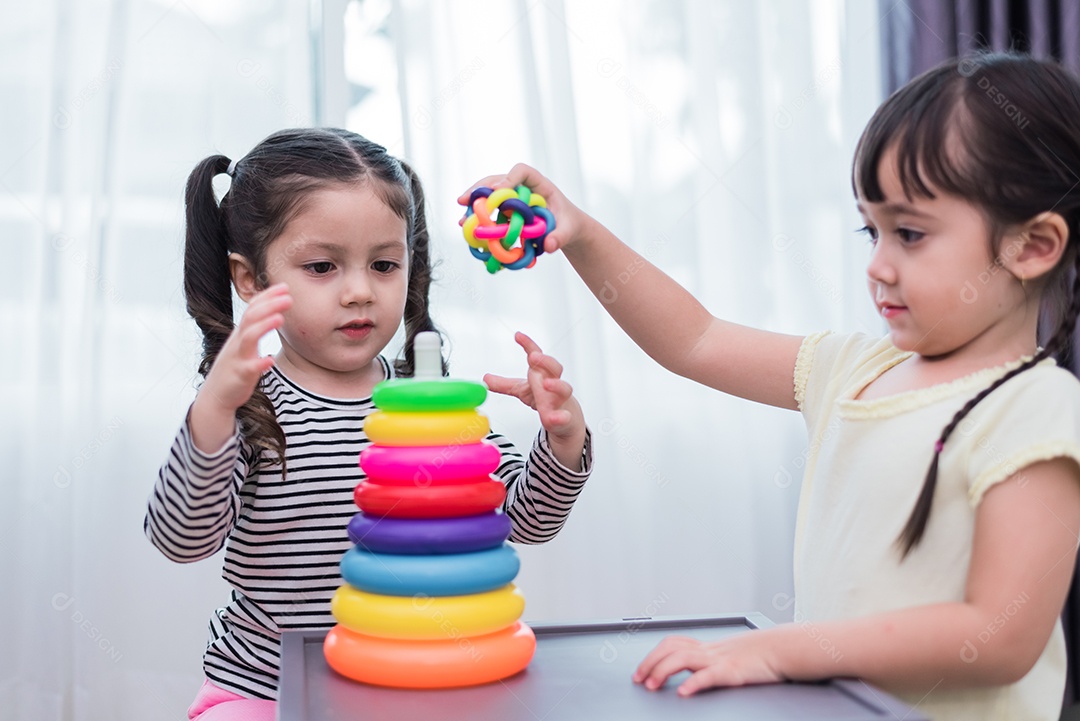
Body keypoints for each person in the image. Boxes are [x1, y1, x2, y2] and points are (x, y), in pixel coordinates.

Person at [461, 53, 1080, 721]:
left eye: (910, 234)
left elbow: (999, 635)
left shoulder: (1038, 408)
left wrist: (783, 650)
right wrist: (579, 234)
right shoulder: (851, 368)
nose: (877, 265)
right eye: (870, 231)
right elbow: (693, 339)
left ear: (1033, 246)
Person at [144, 128, 592, 721]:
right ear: (250, 279)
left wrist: (561, 443)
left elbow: (523, 521)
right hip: (266, 691)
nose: (360, 292)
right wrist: (213, 414)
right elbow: (181, 541)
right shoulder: (249, 408)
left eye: (384, 264)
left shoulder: (430, 403)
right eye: (322, 266)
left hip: (411, 682)